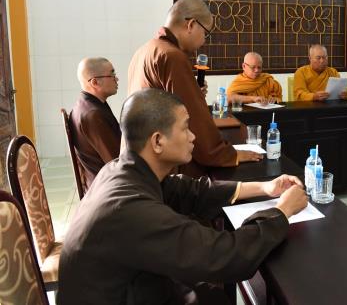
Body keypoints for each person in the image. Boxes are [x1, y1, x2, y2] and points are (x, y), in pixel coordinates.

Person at [57, 88, 308, 305]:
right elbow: (222, 256)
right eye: (186, 128)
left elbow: (191, 190)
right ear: (157, 141)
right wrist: (282, 211)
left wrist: (266, 188)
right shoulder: (131, 211)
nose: (193, 136)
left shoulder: (121, 169)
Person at [128, 0, 261, 178]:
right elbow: (193, 119)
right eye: (206, 33)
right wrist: (228, 154)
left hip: (140, 160)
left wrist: (194, 92)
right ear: (191, 25)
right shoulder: (172, 56)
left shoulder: (143, 51)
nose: (204, 40)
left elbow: (163, 101)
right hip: (161, 165)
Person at [69, 57, 121, 189]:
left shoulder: (86, 105)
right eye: (112, 74)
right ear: (95, 82)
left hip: (101, 182)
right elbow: (117, 163)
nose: (117, 79)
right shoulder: (92, 115)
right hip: (107, 189)